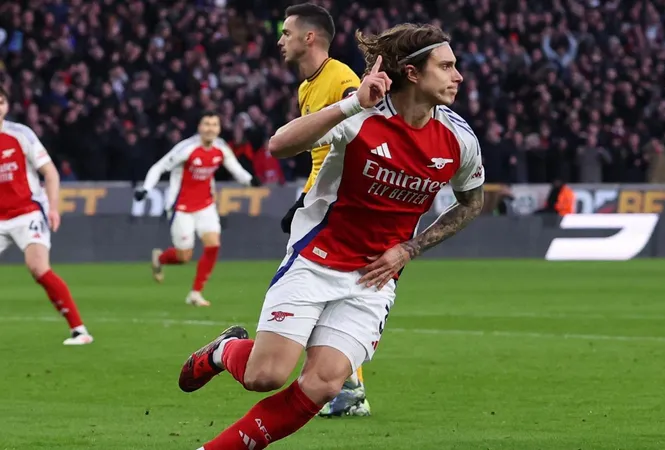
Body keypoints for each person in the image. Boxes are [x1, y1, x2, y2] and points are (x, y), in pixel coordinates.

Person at [177, 23, 485, 450]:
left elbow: (471, 203)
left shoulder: (459, 139)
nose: (458, 77)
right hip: (315, 260)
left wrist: (409, 249)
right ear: (413, 73)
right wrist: (352, 104)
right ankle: (224, 350)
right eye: (446, 66)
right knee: (264, 376)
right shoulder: (361, 115)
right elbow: (279, 145)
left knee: (323, 384)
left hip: (374, 279)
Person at [276, 2, 369, 418]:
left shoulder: (342, 79)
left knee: (309, 293)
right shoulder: (306, 88)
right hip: (317, 201)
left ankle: (345, 389)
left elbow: (362, 131)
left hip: (339, 207)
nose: (281, 40)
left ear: (308, 37)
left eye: (286, 32)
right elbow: (321, 156)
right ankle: (347, 390)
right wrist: (304, 198)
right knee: (321, 296)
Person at [134, 112, 260, 307]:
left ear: (219, 128)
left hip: (206, 205)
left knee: (213, 245)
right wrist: (146, 188)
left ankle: (195, 293)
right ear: (199, 127)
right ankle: (160, 258)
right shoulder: (186, 148)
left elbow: (234, 168)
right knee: (184, 256)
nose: (210, 128)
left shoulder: (220, 148)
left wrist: (249, 180)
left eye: (214, 124)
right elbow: (159, 167)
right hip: (181, 207)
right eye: (206, 124)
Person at [0, 86, 92, 345]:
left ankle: (79, 331)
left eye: (1, 101)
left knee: (38, 267)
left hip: (27, 212)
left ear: (7, 106)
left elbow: (50, 172)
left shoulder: (21, 135)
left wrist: (53, 207)